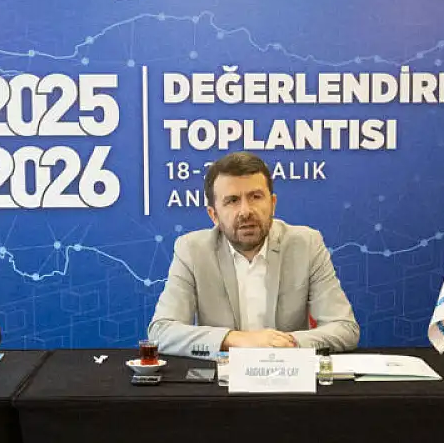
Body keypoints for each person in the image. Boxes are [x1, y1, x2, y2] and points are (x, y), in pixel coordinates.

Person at [148, 151, 360, 357]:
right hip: (221, 377)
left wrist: (288, 343)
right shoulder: (192, 250)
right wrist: (236, 339)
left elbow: (344, 328)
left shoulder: (306, 244)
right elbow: (161, 331)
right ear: (214, 215)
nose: (245, 211)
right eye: (232, 200)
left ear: (273, 204)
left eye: (255, 197)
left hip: (288, 373)